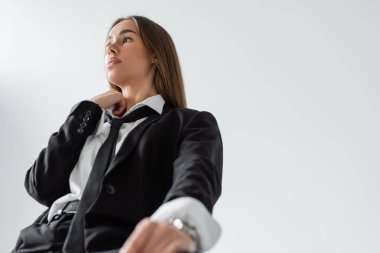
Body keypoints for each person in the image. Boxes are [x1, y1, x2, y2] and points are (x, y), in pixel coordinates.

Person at [12, 15, 223, 253]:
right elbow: (40, 184)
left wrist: (181, 225)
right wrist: (88, 108)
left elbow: (195, 176)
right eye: (108, 43)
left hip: (119, 244)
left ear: (156, 55)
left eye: (126, 39)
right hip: (40, 242)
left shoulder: (188, 122)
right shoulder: (88, 122)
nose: (111, 48)